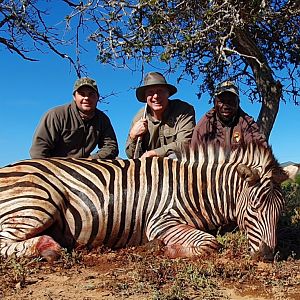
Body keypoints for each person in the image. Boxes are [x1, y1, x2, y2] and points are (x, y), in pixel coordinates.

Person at [30, 77, 119, 159]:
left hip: (85, 168)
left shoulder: (102, 119)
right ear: (74, 97)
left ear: (97, 97)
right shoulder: (55, 115)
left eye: (91, 94)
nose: (86, 98)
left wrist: (92, 161)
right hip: (57, 169)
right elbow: (38, 150)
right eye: (82, 94)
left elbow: (111, 146)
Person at [125, 72, 195, 158]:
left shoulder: (184, 110)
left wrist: (153, 153)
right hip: (150, 166)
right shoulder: (139, 118)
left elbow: (185, 143)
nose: (155, 96)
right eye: (150, 92)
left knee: (174, 157)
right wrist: (133, 136)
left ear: (168, 93)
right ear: (145, 97)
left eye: (160, 91)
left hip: (176, 165)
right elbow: (131, 156)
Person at [191, 80, 267, 155]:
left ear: (238, 103)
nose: (226, 106)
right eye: (221, 101)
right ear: (214, 103)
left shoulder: (247, 123)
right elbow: (193, 156)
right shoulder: (204, 125)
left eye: (231, 101)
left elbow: (261, 151)